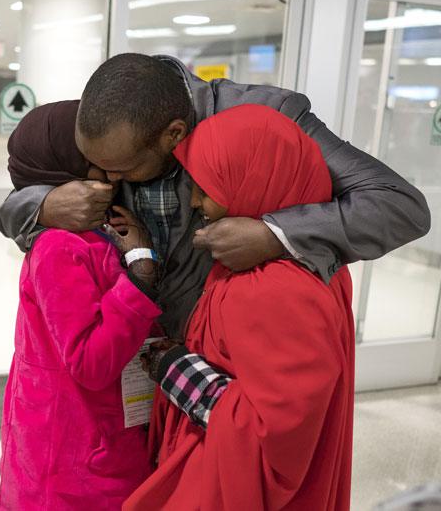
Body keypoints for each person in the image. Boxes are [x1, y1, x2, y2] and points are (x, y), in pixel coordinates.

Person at [0, 53, 430, 340]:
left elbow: (398, 204)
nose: (105, 181)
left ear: (174, 134)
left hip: (233, 357)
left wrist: (273, 235)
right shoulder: (110, 121)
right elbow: (14, 204)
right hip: (132, 353)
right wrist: (45, 205)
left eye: (123, 171)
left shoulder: (266, 117)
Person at [125, 104, 355, 510]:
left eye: (207, 187)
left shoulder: (273, 288)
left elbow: (274, 431)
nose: (195, 201)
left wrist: (175, 368)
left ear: (255, 181)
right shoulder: (316, 261)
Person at [0, 101, 163, 510]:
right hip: (72, 456)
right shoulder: (58, 246)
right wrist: (139, 277)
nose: (111, 169)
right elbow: (90, 361)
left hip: (96, 436)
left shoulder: (96, 232)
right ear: (65, 168)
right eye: (95, 159)